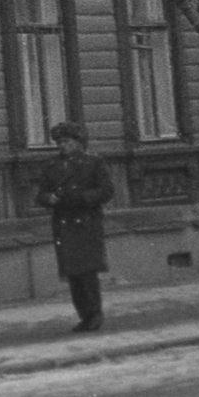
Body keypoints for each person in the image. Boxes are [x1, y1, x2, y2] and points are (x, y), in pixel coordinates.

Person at [35, 120, 114, 332]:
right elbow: (40, 194)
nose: (62, 146)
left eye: (66, 141)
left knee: (88, 273)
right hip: (64, 224)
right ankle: (84, 316)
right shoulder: (51, 167)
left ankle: (95, 314)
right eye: (59, 142)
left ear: (78, 142)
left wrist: (82, 198)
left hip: (86, 222)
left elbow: (106, 191)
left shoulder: (93, 163)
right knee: (73, 275)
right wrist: (48, 198)